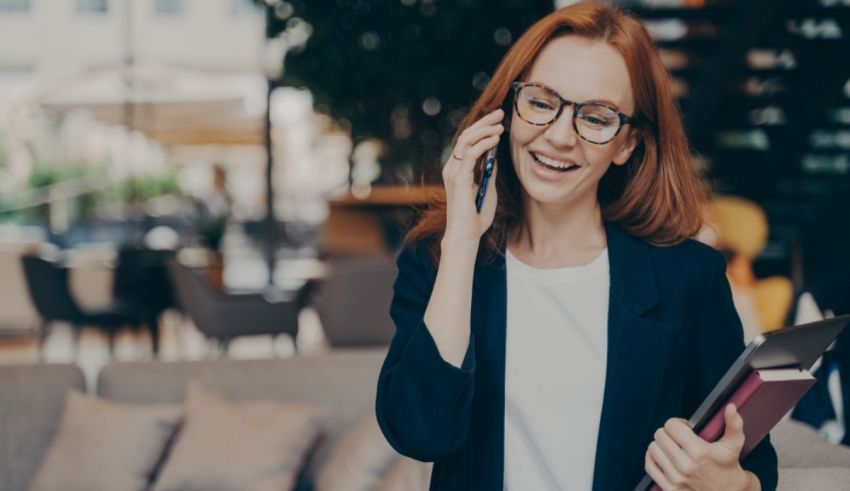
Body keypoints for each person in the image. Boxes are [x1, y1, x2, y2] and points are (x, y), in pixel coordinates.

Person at [375, 2, 777, 490]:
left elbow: (753, 465)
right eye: (542, 102)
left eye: (597, 117)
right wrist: (462, 238)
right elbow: (421, 432)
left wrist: (732, 486)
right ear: (508, 109)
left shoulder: (688, 279)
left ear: (627, 144)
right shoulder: (437, 259)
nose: (560, 136)